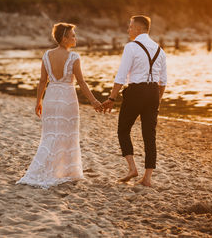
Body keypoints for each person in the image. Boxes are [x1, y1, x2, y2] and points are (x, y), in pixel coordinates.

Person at [17, 23, 103, 188]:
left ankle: (51, 170)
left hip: (51, 97)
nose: (75, 38)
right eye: (72, 35)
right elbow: (81, 82)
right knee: (66, 135)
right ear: (64, 38)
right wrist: (93, 101)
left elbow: (43, 80)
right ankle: (66, 171)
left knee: (50, 135)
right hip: (67, 99)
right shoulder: (74, 57)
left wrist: (38, 101)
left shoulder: (47, 55)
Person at [102, 15, 167, 187]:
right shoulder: (160, 50)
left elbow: (121, 75)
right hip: (153, 92)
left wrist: (111, 98)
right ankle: (147, 178)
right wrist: (157, 101)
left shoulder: (131, 47)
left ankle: (132, 168)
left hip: (136, 91)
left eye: (130, 26)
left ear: (138, 29)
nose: (128, 30)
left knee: (123, 130)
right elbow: (164, 81)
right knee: (149, 136)